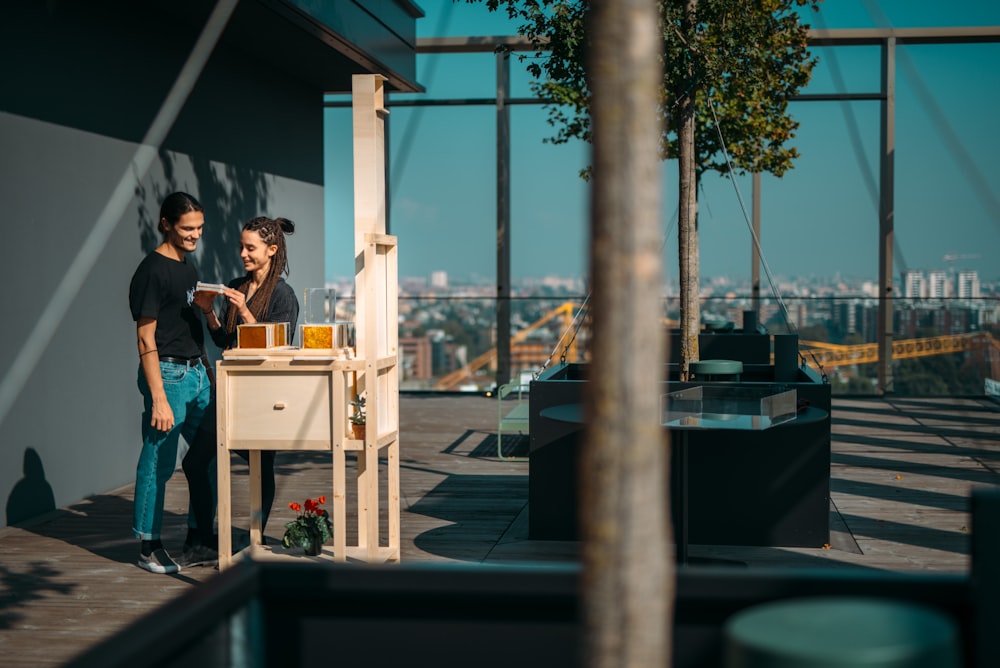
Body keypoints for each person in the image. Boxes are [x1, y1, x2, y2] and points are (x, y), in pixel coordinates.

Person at [179, 216, 299, 567]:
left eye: (251, 248)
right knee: (195, 462)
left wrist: (245, 310)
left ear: (271, 250)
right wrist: (209, 313)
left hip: (263, 396)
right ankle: (201, 540)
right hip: (229, 392)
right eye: (241, 247)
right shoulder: (236, 285)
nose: (243, 254)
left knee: (261, 465)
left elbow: (275, 347)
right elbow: (224, 341)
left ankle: (254, 540)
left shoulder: (283, 295)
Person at [128, 192, 216, 574]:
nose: (195, 235)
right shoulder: (152, 271)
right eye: (187, 228)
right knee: (158, 462)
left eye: (199, 227)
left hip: (198, 374)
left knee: (207, 454)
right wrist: (160, 399)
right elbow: (145, 339)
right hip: (168, 375)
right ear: (166, 224)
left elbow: (190, 325)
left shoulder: (188, 267)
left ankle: (200, 537)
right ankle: (148, 546)